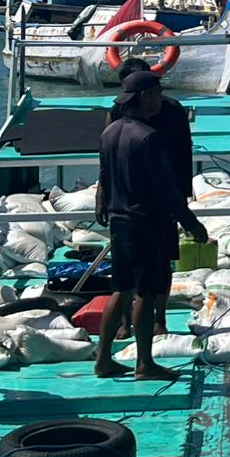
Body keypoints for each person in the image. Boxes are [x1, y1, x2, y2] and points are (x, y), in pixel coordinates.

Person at [95, 69, 209, 380]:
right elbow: (167, 190)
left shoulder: (110, 132)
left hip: (119, 221)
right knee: (146, 291)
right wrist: (192, 224)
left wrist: (100, 199)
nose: (161, 100)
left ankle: (103, 358)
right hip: (147, 222)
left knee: (120, 288)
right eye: (157, 94)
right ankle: (144, 363)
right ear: (144, 97)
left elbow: (104, 175)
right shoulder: (149, 137)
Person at [115, 56, 195, 336]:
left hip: (157, 203)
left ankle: (159, 320)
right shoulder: (121, 117)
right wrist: (104, 193)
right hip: (130, 203)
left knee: (162, 264)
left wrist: (183, 198)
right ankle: (128, 328)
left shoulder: (172, 111)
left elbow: (184, 156)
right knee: (127, 277)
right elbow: (108, 158)